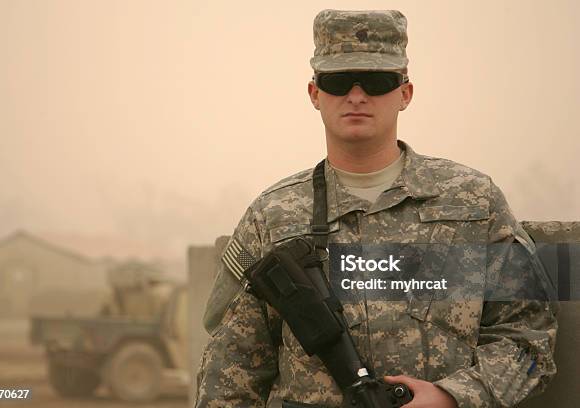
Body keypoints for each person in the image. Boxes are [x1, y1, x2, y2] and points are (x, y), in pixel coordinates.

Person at [195, 9, 558, 408]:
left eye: (377, 81)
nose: (356, 96)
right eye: (337, 81)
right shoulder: (273, 214)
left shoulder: (472, 202)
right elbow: (232, 370)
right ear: (315, 94)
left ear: (405, 93)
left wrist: (452, 397)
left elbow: (528, 338)